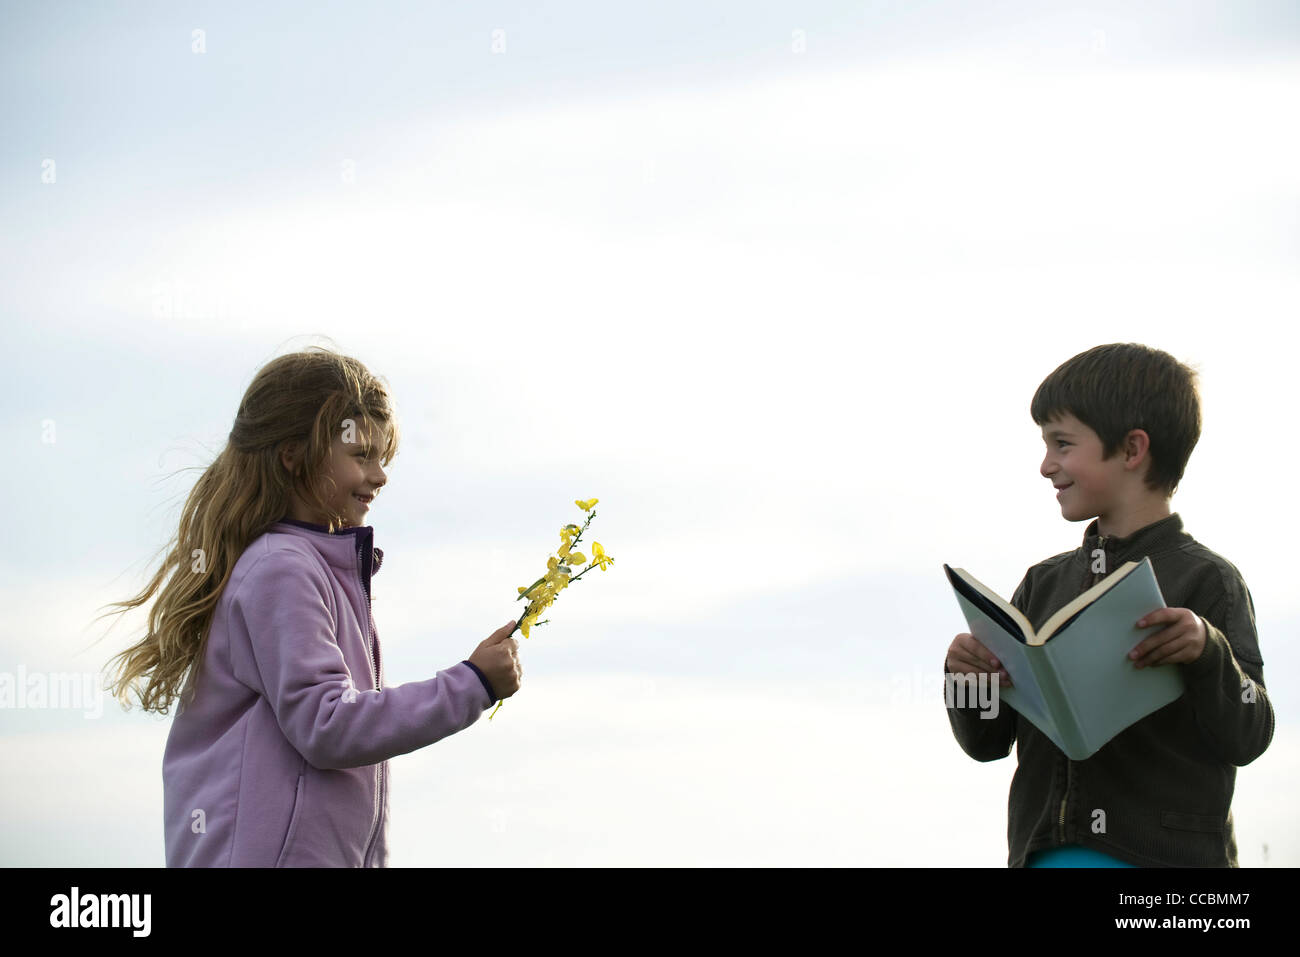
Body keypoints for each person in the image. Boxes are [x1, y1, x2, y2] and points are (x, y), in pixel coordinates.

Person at [99, 347, 522, 866]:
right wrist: (471, 684)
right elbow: (328, 726)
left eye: (382, 458)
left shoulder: (313, 569)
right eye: (361, 455)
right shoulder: (282, 570)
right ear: (294, 455)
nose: (380, 475)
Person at [943, 343, 1273, 867]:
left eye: (1062, 443)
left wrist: (1208, 652)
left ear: (1131, 449)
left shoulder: (1208, 580)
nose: (1046, 465)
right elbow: (986, 743)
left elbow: (1250, 735)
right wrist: (968, 677)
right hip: (1045, 857)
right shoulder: (1041, 584)